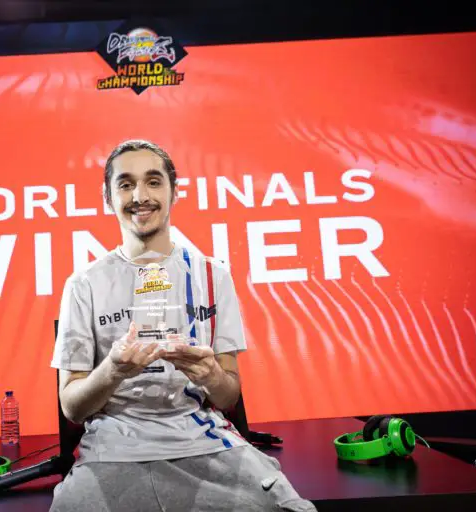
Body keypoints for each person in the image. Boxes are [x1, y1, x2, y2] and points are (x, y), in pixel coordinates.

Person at [49, 139, 316, 511]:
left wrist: (210, 374)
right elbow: (73, 408)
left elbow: (227, 397)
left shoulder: (212, 275)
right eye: (125, 184)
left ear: (174, 192)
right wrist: (112, 370)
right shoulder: (84, 285)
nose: (140, 196)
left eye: (153, 181)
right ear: (108, 198)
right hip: (113, 449)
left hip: (203, 442)